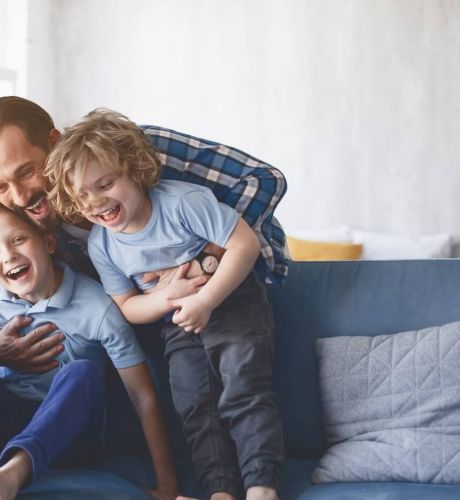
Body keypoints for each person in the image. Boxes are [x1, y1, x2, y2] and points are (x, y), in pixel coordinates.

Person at [44, 109, 285, 500]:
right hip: (176, 321)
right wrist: (164, 299)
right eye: (82, 196)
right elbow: (126, 305)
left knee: (243, 389)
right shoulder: (102, 245)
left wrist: (206, 299)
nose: (96, 203)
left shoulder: (182, 202)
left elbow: (245, 244)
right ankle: (219, 490)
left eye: (105, 183)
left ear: (136, 169)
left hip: (232, 302)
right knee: (193, 405)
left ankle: (262, 486)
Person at [0, 196, 181, 500]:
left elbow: (142, 396)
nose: (9, 256)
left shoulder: (96, 307)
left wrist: (168, 486)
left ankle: (15, 473)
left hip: (66, 437)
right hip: (1, 424)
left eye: (18, 240)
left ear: (49, 242)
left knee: (83, 372)